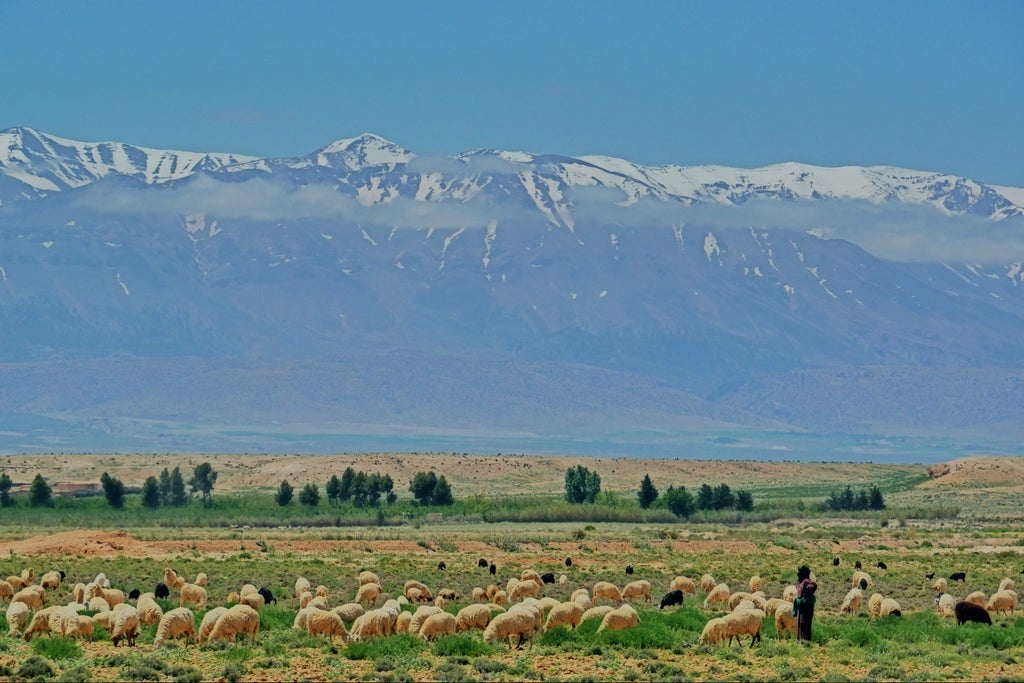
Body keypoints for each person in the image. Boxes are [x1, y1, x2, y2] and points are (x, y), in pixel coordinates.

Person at [793, 564, 817, 642]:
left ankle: (801, 639)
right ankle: (805, 640)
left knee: (801, 621)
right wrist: (813, 582)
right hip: (807, 605)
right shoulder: (805, 581)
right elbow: (812, 587)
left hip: (802, 605)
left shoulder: (800, 581)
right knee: (806, 622)